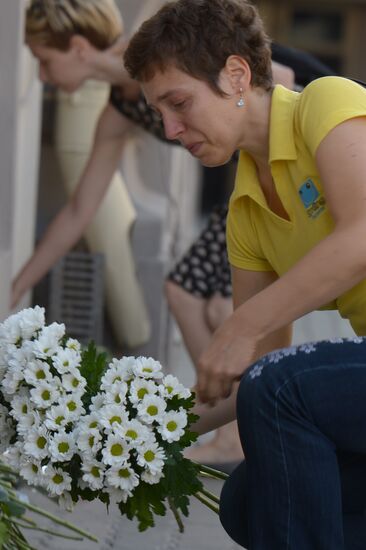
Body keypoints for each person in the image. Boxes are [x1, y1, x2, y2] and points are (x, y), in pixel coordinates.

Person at [16, 0, 307, 471]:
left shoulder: (162, 54)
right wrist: (15, 285)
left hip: (283, 170)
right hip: (247, 188)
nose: (44, 78)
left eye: (44, 61)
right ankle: (238, 423)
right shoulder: (122, 106)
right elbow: (79, 210)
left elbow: (282, 86)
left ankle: (238, 432)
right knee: (199, 296)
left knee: (192, 292)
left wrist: (260, 206)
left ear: (76, 48)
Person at [123, 0, 366, 547]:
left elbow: (362, 237)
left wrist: (240, 326)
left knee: (282, 390)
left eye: (178, 103)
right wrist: (142, 433)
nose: (169, 127)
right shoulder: (246, 212)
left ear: (236, 74)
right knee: (250, 497)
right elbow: (255, 372)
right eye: (159, 112)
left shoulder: (324, 103)